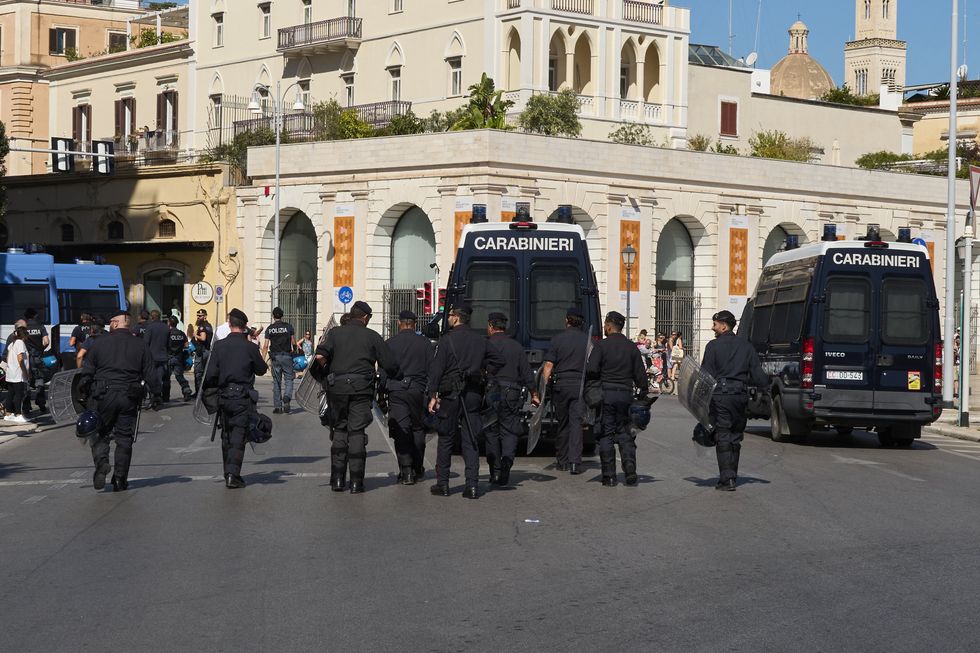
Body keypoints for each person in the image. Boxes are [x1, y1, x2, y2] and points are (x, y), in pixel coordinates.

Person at [313, 300, 397, 494]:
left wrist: (327, 372)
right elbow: (390, 364)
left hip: (338, 389)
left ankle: (337, 480)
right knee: (357, 431)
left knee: (340, 429)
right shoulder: (372, 336)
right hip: (361, 389)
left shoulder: (334, 333)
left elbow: (319, 357)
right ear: (365, 317)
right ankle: (357, 482)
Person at [78, 310, 160, 492]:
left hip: (103, 395)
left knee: (99, 433)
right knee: (124, 438)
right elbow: (151, 373)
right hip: (129, 396)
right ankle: (120, 479)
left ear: (114, 323)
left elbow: (87, 372)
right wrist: (157, 395)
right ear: (128, 324)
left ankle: (102, 462)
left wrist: (83, 393)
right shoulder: (140, 345)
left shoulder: (99, 343)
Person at [427, 304, 504, 499]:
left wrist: (432, 395)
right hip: (473, 394)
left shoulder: (446, 340)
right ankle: (472, 486)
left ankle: (443, 484)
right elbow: (499, 360)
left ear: (456, 318)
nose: (449, 318)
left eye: (450, 315)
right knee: (471, 439)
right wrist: (483, 372)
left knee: (445, 438)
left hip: (450, 395)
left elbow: (437, 370)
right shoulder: (480, 340)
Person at [700, 310, 768, 492]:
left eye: (714, 324)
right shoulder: (746, 346)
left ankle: (727, 479)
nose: (712, 327)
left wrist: (700, 401)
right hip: (740, 397)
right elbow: (758, 374)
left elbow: (706, 376)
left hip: (721, 396)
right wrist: (766, 391)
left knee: (723, 434)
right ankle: (732, 476)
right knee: (735, 436)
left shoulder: (713, 346)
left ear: (723, 325)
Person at [203, 308, 268, 489]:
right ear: (245, 326)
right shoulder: (250, 347)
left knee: (226, 434)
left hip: (224, 396)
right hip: (242, 396)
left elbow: (210, 375)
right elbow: (261, 369)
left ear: (230, 324)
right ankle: (233, 474)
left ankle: (227, 473)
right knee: (239, 434)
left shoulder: (219, 346)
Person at [586, 311, 648, 487]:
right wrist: (642, 393)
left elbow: (591, 369)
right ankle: (630, 469)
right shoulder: (631, 347)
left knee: (606, 434)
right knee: (625, 433)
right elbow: (641, 376)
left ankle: (609, 476)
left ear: (609, 325)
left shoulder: (601, 346)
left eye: (605, 324)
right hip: (626, 395)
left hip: (606, 395)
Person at [484, 312, 538, 487]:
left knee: (491, 430)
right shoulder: (516, 347)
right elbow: (527, 373)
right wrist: (534, 393)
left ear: (491, 326)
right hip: (512, 393)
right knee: (510, 430)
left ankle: (495, 470)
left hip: (492, 391)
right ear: (504, 327)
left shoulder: (486, 345)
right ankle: (507, 461)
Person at [382, 310, 434, 485]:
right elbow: (431, 369)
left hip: (397, 390)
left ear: (399, 323)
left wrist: (382, 390)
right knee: (418, 428)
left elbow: (383, 369)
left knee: (401, 430)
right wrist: (432, 392)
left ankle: (406, 471)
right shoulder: (425, 343)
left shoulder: (390, 343)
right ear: (415, 323)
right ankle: (418, 467)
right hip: (418, 390)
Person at [541, 307, 590, 474]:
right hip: (580, 386)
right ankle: (575, 462)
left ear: (567, 320)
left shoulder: (557, 339)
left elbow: (548, 365)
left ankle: (562, 461)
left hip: (561, 385)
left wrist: (545, 386)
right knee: (576, 424)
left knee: (562, 424)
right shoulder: (587, 340)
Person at [262, 307, 297, 414]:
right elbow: (294, 342)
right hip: (287, 356)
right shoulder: (289, 327)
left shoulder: (270, 328)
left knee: (276, 382)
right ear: (282, 316)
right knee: (289, 379)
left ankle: (278, 407)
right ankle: (287, 396)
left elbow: (266, 345)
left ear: (273, 316)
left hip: (275, 357)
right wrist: (294, 352)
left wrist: (262, 360)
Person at [23, 308, 50, 414]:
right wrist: (41, 349)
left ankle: (26, 406)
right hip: (38, 357)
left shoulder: (24, 327)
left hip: (27, 358)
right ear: (34, 315)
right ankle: (41, 403)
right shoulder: (40, 326)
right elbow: (46, 341)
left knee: (27, 381)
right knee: (39, 379)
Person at [3, 326, 31, 423]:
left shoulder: (12, 343)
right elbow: (20, 359)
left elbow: (8, 358)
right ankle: (18, 414)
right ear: (24, 334)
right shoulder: (20, 343)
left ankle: (8, 413)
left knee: (11, 393)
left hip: (11, 372)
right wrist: (25, 372)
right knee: (19, 394)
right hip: (18, 373)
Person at [142, 309, 169, 407]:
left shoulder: (150, 327)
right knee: (159, 378)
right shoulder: (166, 327)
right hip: (163, 357)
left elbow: (145, 343)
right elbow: (168, 343)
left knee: (150, 378)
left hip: (151, 357)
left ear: (152, 317)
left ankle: (153, 396)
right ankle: (158, 396)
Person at [165, 315, 193, 401]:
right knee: (180, 376)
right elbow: (186, 345)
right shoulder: (181, 333)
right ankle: (186, 390)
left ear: (169, 323)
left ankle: (165, 397)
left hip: (168, 358)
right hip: (178, 358)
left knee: (166, 378)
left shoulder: (167, 333)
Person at [193, 309, 214, 397]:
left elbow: (203, 338)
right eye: (197, 315)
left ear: (205, 316)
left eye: (200, 316)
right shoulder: (209, 326)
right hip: (207, 350)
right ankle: (206, 392)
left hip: (201, 351)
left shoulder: (202, 327)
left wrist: (195, 335)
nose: (198, 317)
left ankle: (198, 393)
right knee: (206, 373)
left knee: (198, 373)